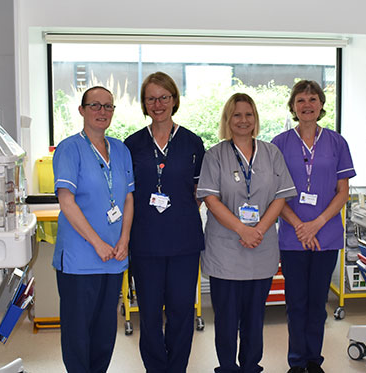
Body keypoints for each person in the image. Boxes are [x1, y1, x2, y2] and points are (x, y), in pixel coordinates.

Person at [197, 93, 296, 373]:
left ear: (256, 119)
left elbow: (281, 196)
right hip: (226, 249)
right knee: (227, 318)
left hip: (261, 247)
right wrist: (242, 229)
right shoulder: (214, 155)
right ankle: (227, 367)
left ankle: (251, 366)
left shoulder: (271, 153)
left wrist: (260, 229)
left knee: (254, 317)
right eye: (236, 115)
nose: (243, 120)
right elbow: (210, 199)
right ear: (228, 120)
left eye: (248, 114)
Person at [271, 80, 355, 373]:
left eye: (313, 99)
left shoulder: (336, 142)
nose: (307, 105)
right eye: (301, 100)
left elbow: (343, 191)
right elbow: (276, 194)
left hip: (326, 235)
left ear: (321, 104)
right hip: (293, 237)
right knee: (296, 303)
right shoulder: (279, 144)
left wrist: (316, 224)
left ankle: (313, 360)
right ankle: (296, 362)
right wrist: (300, 226)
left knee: (317, 304)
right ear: (293, 107)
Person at [123, 72, 205, 373]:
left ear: (174, 100)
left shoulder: (192, 143)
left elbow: (198, 192)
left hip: (183, 241)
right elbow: (126, 194)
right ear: (145, 103)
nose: (158, 104)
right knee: (149, 315)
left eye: (164, 97)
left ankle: (177, 368)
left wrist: (178, 212)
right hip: (145, 243)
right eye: (151, 98)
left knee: (182, 311)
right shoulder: (131, 144)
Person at [52, 86, 135, 373]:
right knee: (78, 333)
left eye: (108, 106)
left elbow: (127, 197)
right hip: (80, 258)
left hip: (113, 256)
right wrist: (98, 243)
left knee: (103, 332)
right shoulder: (69, 148)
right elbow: (66, 201)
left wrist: (124, 238)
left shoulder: (121, 150)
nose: (102, 112)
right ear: (82, 110)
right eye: (95, 106)